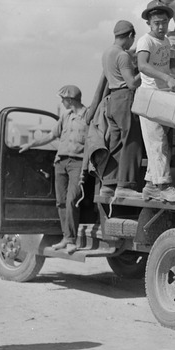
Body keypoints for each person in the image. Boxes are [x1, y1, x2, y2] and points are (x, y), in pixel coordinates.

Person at [19, 85, 89, 254]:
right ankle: (66, 238)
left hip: (78, 164)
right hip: (60, 162)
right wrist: (31, 144)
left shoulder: (88, 116)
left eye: (63, 99)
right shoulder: (65, 117)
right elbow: (51, 136)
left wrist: (87, 167)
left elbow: (92, 142)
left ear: (70, 99)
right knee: (61, 201)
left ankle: (71, 240)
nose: (62, 102)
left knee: (72, 200)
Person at [136, 0, 175, 204]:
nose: (160, 26)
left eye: (164, 22)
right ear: (149, 23)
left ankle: (150, 186)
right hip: (150, 97)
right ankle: (164, 187)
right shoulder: (145, 41)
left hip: (162, 96)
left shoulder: (165, 41)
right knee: (157, 142)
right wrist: (166, 78)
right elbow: (142, 66)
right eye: (156, 22)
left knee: (159, 141)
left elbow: (168, 62)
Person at [99, 20, 144, 199]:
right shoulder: (123, 55)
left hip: (112, 100)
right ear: (131, 35)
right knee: (132, 141)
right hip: (125, 98)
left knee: (116, 143)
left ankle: (108, 184)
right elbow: (132, 83)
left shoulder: (107, 52)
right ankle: (126, 186)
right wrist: (147, 70)